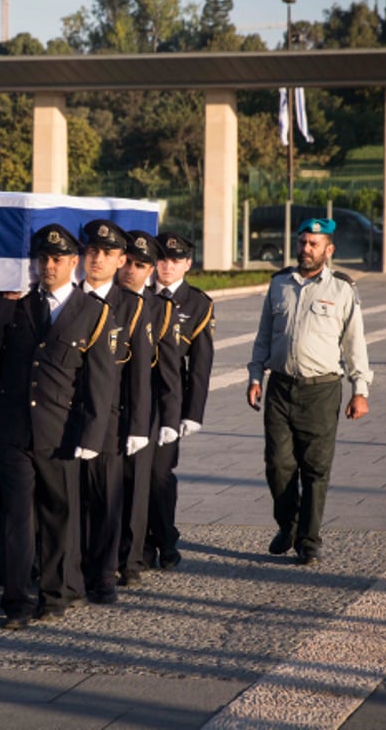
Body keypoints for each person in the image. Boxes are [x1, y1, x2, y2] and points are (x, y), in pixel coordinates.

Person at [0, 223, 116, 630]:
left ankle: (53, 595)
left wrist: (91, 436)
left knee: (58, 516)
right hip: (15, 433)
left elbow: (100, 381)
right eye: (43, 259)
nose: (48, 266)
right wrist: (4, 300)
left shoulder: (92, 311)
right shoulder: (19, 304)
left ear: (75, 262)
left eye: (56, 259)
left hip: (60, 434)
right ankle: (16, 601)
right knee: (17, 519)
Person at [246, 217, 372, 567]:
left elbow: (354, 345)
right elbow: (263, 337)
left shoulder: (343, 290)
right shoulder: (279, 285)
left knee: (315, 469)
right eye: (302, 242)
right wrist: (255, 376)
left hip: (322, 390)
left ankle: (309, 541)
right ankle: (288, 524)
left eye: (313, 244)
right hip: (280, 388)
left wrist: (359, 390)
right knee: (278, 465)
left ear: (328, 250)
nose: (305, 249)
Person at [76, 219, 151, 605]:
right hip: (67, 416)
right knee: (72, 499)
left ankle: (104, 574)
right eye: (91, 251)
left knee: (106, 501)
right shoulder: (69, 298)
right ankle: (72, 571)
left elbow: (139, 370)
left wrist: (138, 425)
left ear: (121, 259)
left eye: (107, 253)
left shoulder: (132, 306)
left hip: (110, 418)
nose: (97, 259)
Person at [143, 231, 214, 573]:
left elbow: (200, 364)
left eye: (175, 260)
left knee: (159, 474)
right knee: (133, 474)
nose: (166, 266)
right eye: (161, 259)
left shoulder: (198, 303)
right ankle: (141, 544)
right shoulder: (138, 293)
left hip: (169, 402)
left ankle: (166, 540)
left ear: (187, 263)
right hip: (135, 398)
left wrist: (192, 413)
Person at [114, 229, 181, 586]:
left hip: (145, 408)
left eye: (140, 265)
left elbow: (170, 370)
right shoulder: (104, 300)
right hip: (107, 405)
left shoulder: (161, 309)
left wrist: (172, 417)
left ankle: (131, 559)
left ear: (151, 269)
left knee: (137, 486)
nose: (131, 270)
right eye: (126, 261)